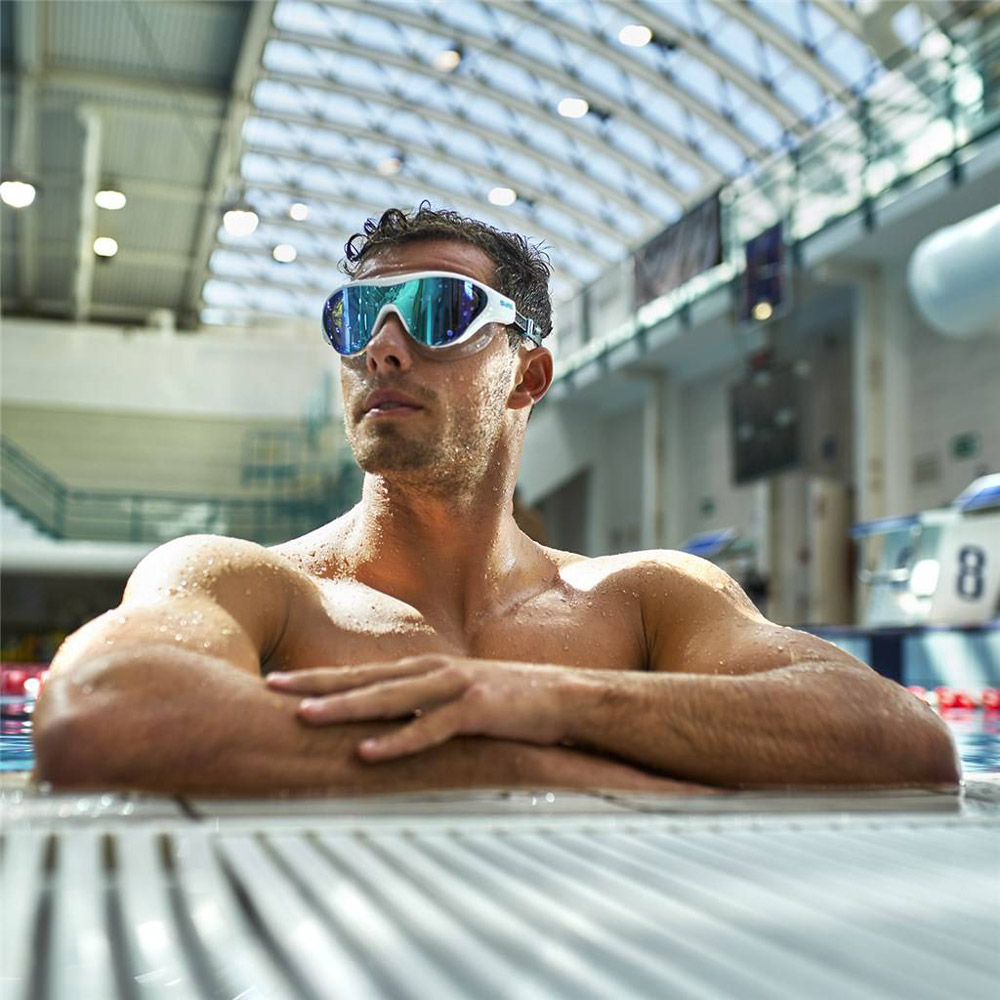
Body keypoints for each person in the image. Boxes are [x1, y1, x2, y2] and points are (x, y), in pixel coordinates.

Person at [32, 205, 959, 796]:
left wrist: (549, 698)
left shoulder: (645, 599)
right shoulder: (253, 585)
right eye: (356, 320)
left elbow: (903, 738)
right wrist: (515, 756)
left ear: (528, 374)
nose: (382, 349)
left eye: (437, 313)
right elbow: (96, 714)